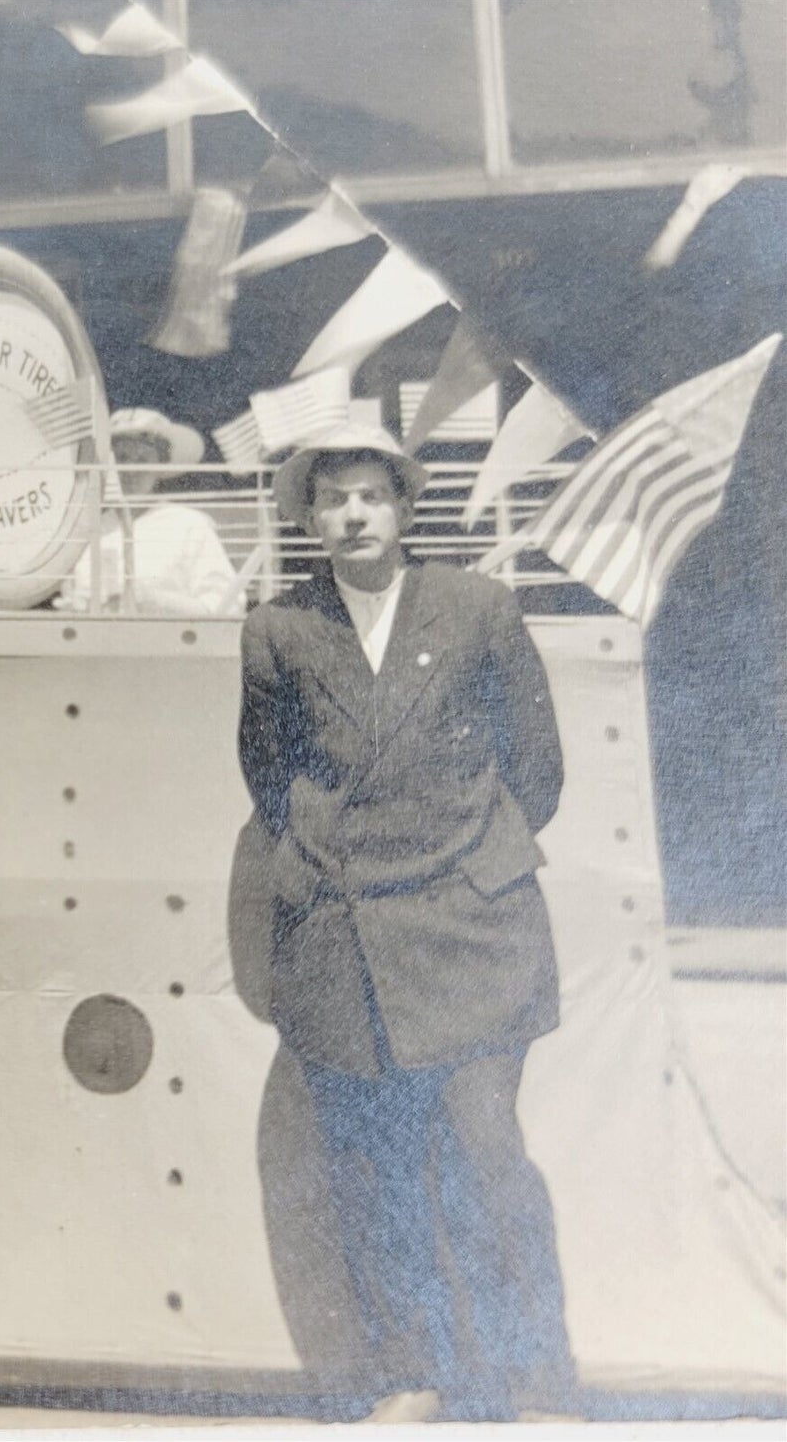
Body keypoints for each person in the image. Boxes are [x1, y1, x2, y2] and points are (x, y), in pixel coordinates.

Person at [236, 423, 575, 1421]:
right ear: (307, 517)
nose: (351, 514)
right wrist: (330, 865)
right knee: (374, 1170)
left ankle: (533, 1381)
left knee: (485, 1153)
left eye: (368, 496)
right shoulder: (278, 628)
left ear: (401, 506)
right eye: (330, 498)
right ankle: (407, 1374)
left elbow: (537, 769)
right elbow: (268, 778)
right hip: (345, 939)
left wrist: (468, 858)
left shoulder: (478, 610)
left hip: (471, 929)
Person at [57, 408, 242, 617]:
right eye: (122, 458)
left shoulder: (189, 525)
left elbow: (227, 605)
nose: (131, 470)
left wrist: (155, 599)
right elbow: (71, 597)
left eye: (143, 460)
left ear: (161, 466)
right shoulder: (87, 528)